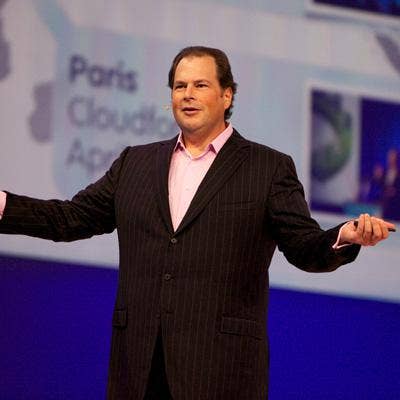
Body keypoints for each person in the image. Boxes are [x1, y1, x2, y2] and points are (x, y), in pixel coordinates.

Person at [0, 46, 395, 400]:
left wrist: (345, 236)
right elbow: (69, 218)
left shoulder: (268, 168)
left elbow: (304, 247)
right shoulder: (135, 163)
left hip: (221, 370)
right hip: (138, 368)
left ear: (227, 95)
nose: (187, 94)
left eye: (200, 85)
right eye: (179, 86)